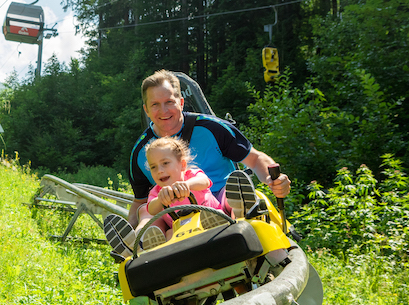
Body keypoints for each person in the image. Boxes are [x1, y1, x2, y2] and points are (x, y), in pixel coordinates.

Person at [103, 69, 291, 259]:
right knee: (147, 212)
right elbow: (140, 201)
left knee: (237, 193)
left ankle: (243, 219)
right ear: (146, 110)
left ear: (181, 102)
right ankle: (136, 244)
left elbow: (255, 159)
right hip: (174, 214)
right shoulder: (141, 151)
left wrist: (272, 179)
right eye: (155, 105)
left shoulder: (213, 128)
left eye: (169, 102)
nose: (163, 111)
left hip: (220, 199)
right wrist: (134, 223)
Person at [136, 136, 226, 250]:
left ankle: (234, 214)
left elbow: (204, 181)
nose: (159, 170)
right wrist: (160, 199)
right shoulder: (158, 191)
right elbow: (151, 209)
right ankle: (154, 247)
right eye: (153, 167)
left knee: (219, 207)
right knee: (169, 234)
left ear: (182, 164)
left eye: (165, 163)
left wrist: (188, 185)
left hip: (209, 217)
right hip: (181, 231)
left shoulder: (191, 176)